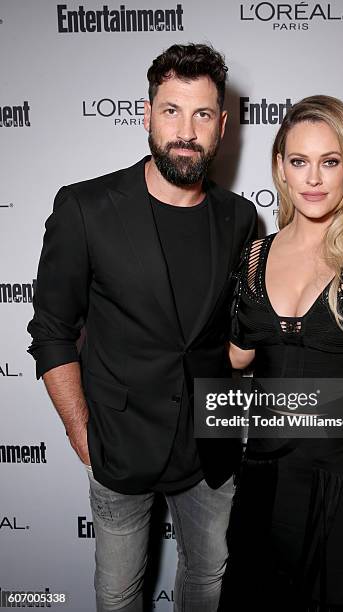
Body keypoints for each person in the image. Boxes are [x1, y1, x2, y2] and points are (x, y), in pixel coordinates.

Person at [27, 43, 257, 612]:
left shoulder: (241, 218)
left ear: (222, 126)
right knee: (119, 594)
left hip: (212, 450)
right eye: (171, 110)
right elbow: (52, 330)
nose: (186, 130)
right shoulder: (86, 208)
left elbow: (242, 335)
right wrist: (84, 433)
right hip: (120, 446)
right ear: (147, 114)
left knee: (207, 584)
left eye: (202, 114)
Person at [222, 95, 343, 611]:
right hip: (263, 475)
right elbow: (238, 358)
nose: (313, 178)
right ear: (281, 170)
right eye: (299, 161)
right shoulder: (253, 256)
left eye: (329, 162)